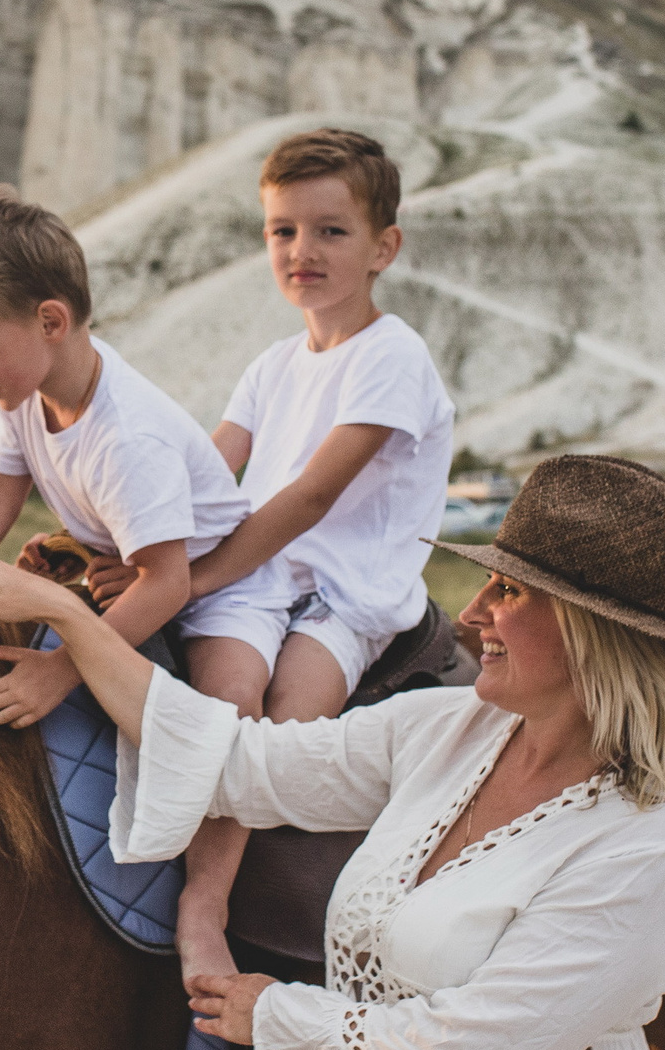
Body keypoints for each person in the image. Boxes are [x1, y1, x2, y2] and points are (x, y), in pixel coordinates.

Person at [0, 454, 665, 1050]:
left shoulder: (645, 846)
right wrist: (70, 616)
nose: (473, 613)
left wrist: (272, 1012)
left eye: (509, 592)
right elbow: (237, 761)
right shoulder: (447, 732)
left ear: (591, 632)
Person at [0, 186, 293, 777]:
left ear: (50, 321)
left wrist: (61, 671)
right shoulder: (24, 395)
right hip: (132, 569)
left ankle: (230, 841)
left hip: (220, 591)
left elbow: (167, 584)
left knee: (224, 711)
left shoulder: (128, 437)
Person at [158, 128, 455, 976]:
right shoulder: (272, 365)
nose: (303, 250)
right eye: (283, 230)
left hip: (348, 591)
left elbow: (313, 495)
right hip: (259, 576)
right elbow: (210, 470)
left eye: (331, 230)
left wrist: (199, 576)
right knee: (227, 697)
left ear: (382, 247)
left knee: (288, 726)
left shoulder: (392, 356)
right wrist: (124, 530)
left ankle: (205, 903)